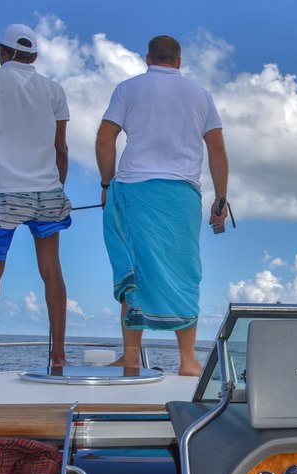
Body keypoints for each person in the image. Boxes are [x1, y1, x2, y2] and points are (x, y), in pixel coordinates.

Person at [95, 35, 229, 377]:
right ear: (179, 61)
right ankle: (187, 361)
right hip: (182, 195)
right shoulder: (201, 95)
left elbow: (104, 138)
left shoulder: (128, 88)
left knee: (133, 270)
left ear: (148, 58)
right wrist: (221, 199)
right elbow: (216, 150)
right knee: (186, 272)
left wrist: (106, 185)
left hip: (134, 190)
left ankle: (129, 357)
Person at [0, 24, 71, 374]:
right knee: (51, 270)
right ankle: (58, 358)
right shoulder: (54, 89)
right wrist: (56, 189)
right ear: (34, 56)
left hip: (2, 194)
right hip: (47, 192)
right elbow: (61, 149)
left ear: (2, 52)